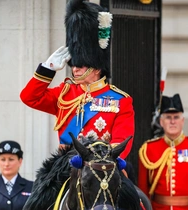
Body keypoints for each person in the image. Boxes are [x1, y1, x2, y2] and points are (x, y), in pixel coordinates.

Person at [20, 1, 139, 209]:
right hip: (66, 165)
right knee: (33, 204)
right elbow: (29, 97)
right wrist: (47, 69)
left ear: (96, 66)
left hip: (104, 166)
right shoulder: (65, 93)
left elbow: (123, 141)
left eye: (80, 64)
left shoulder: (120, 100)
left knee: (136, 202)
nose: (74, 69)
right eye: (73, 64)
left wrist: (97, 157)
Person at [138, 93, 188, 210]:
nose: (172, 122)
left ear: (183, 121)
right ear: (161, 122)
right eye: (168, 117)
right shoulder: (148, 149)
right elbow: (143, 192)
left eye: (176, 117)